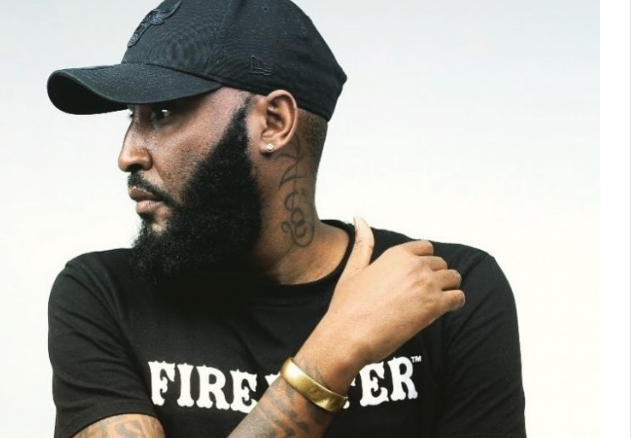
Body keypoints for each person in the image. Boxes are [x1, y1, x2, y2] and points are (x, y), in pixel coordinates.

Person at [46, 0, 526, 437]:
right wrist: (334, 351)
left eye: (164, 113)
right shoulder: (104, 295)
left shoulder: (441, 292)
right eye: (131, 117)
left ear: (275, 122)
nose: (128, 154)